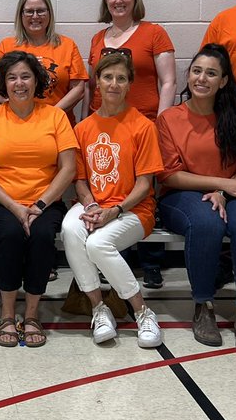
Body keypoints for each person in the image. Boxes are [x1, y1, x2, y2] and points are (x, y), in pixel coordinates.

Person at [157, 45, 236, 352]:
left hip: (233, 189)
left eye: (211, 73)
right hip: (182, 195)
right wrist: (221, 185)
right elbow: (169, 175)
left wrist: (224, 190)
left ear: (224, 81)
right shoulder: (169, 119)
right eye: (196, 70)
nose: (201, 78)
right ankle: (203, 306)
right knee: (207, 223)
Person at [0, 51, 78, 348]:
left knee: (43, 236)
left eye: (26, 76)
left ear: (37, 80)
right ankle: (6, 315)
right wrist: (14, 207)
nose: (19, 83)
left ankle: (31, 315)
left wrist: (39, 205)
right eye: (12, 77)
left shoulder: (55, 116)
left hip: (46, 201)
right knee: (11, 234)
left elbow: (68, 168)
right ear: (3, 84)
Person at [62, 51, 165, 348]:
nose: (114, 84)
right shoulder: (82, 129)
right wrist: (93, 206)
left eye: (121, 78)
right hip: (93, 205)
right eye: (108, 77)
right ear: (97, 81)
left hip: (134, 210)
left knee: (96, 244)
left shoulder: (142, 126)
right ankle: (99, 309)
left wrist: (115, 210)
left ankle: (142, 311)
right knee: (71, 229)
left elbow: (145, 184)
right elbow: (80, 180)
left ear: (130, 84)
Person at [87, 0, 176, 289]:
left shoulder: (153, 33)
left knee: (144, 193)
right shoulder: (98, 40)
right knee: (109, 190)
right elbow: (92, 86)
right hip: (106, 131)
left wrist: (161, 123)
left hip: (144, 126)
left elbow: (168, 82)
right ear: (106, 1)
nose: (118, 0)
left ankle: (150, 262)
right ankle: (109, 260)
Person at [0, 0, 87, 118]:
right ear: (20, 15)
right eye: (29, 11)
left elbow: (78, 89)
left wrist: (51, 116)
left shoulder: (68, 45)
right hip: (15, 123)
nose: (35, 16)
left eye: (40, 11)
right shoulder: (7, 46)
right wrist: (20, 113)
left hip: (56, 124)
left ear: (49, 13)